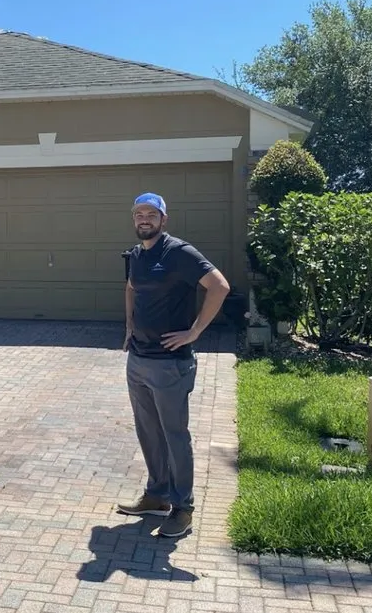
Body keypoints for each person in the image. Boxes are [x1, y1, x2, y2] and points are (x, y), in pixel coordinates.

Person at [117, 192, 231, 537]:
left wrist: (194, 332)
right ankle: (157, 495)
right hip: (138, 358)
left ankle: (183, 508)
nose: (144, 219)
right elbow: (131, 288)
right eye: (139, 214)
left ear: (163, 219)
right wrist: (129, 325)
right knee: (148, 432)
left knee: (175, 436)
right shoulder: (137, 255)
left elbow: (219, 286)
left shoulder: (179, 252)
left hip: (170, 364)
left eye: (151, 214)